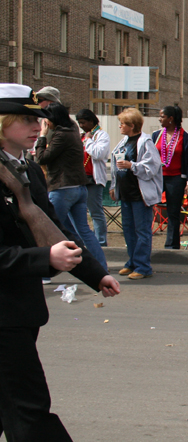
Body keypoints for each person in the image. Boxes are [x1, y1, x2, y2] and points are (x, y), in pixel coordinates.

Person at [0, 83, 120, 441]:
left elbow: (54, 230)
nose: (37, 126)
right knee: (29, 409)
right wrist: (44, 258)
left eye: (38, 118)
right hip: (4, 317)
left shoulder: (27, 169)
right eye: (25, 119)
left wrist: (95, 274)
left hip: (18, 309)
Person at [35, 103, 108, 272]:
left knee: (49, 227)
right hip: (79, 187)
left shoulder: (61, 135)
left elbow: (41, 158)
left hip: (63, 188)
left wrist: (42, 136)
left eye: (46, 120)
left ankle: (44, 272)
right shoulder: (73, 131)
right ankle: (99, 267)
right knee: (81, 230)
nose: (45, 123)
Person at [110, 108, 163, 280]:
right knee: (128, 230)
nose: (120, 126)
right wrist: (114, 186)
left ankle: (143, 266)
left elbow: (152, 167)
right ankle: (132, 262)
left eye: (122, 124)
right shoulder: (124, 142)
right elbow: (115, 167)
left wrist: (131, 165)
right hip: (126, 194)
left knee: (141, 231)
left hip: (140, 196)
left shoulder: (145, 143)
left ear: (132, 125)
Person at [152, 105, 188, 249]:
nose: (159, 119)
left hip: (176, 178)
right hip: (157, 177)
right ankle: (144, 241)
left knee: (173, 213)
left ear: (170, 119)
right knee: (147, 206)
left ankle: (172, 246)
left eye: (162, 116)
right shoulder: (156, 135)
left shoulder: (185, 136)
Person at [76, 108, 110, 247]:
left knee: (95, 213)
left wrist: (88, 140)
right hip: (79, 179)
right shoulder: (82, 136)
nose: (81, 126)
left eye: (83, 122)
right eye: (79, 123)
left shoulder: (101, 135)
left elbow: (98, 153)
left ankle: (101, 243)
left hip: (93, 180)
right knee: (79, 212)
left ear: (91, 121)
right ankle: (83, 242)